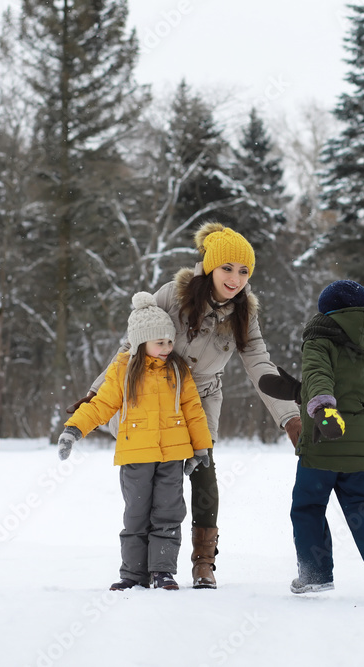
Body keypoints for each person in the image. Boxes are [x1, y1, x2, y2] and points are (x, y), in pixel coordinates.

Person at [67, 222, 302, 588]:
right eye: (227, 268)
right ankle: (139, 567)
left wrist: (289, 417)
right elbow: (132, 345)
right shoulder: (172, 297)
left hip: (202, 396)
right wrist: (97, 393)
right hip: (152, 393)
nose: (235, 278)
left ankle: (203, 563)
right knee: (150, 477)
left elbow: (259, 363)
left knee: (204, 471)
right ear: (209, 266)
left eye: (244, 271)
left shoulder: (244, 313)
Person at [259, 280, 364, 605]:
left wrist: (323, 407)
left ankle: (314, 576)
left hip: (324, 437)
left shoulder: (319, 339)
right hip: (357, 443)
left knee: (308, 507)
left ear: (328, 311)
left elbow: (319, 374)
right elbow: (346, 384)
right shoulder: (361, 345)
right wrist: (300, 394)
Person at [56, 292, 213, 591]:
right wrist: (73, 430)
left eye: (169, 341)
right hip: (135, 456)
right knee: (136, 515)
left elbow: (193, 410)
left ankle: (162, 572)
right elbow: (101, 405)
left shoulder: (178, 370)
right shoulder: (123, 370)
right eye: (160, 342)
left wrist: (201, 447)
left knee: (168, 513)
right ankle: (133, 574)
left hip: (171, 455)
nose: (167, 348)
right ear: (141, 342)